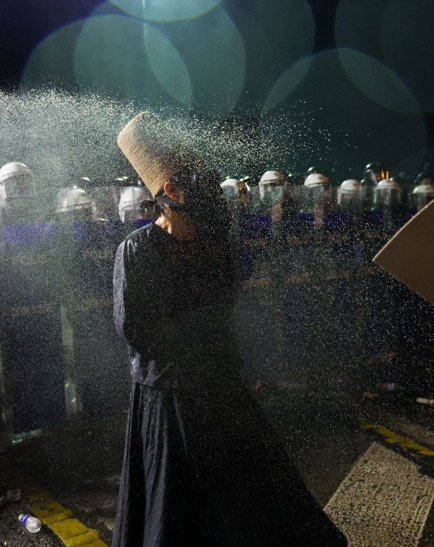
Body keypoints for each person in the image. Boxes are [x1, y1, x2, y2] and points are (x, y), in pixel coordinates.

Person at [111, 111, 345, 546]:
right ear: (170, 191)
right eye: (197, 181)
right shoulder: (138, 249)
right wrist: (196, 352)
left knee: (255, 497)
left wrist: (226, 356)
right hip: (171, 397)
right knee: (176, 506)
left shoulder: (215, 245)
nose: (209, 189)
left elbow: (225, 307)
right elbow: (135, 328)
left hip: (220, 385)